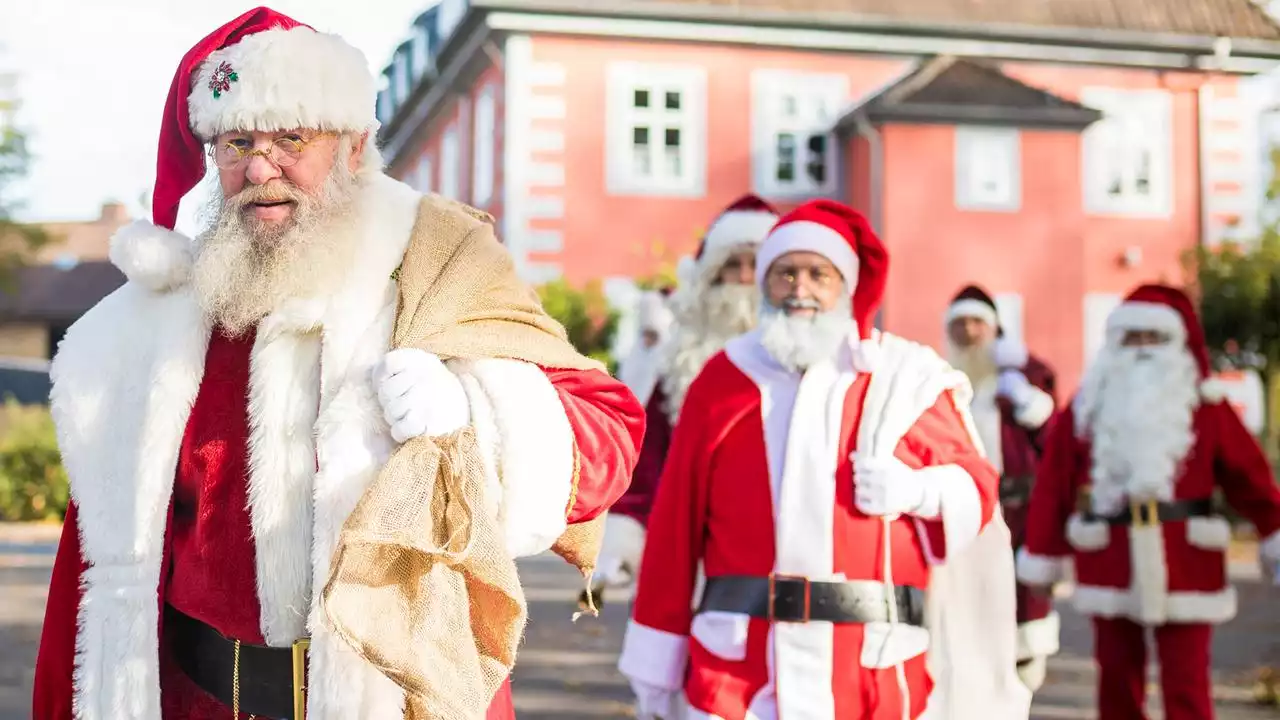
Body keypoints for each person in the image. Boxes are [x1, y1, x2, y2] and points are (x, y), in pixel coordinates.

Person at [32, 8, 643, 720]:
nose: (261, 168)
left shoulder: (438, 261)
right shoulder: (165, 318)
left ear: (353, 147)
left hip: (395, 698)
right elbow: (98, 561)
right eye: (237, 143)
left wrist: (472, 417)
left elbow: (609, 434)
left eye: (292, 137)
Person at [618, 199, 1032, 720]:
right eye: (784, 273)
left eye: (819, 273)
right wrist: (655, 661)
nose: (800, 287)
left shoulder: (905, 378)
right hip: (739, 670)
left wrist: (918, 491)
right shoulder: (722, 381)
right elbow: (674, 531)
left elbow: (976, 484)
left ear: (847, 287)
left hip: (872, 670)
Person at [1017, 284, 1280, 720]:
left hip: (1187, 559)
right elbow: (1054, 485)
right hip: (1109, 557)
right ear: (1114, 343)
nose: (1142, 349)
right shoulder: (1087, 409)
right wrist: (1044, 556)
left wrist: (1273, 531)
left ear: (1176, 343)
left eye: (1153, 338)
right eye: (1131, 338)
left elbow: (1249, 476)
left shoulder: (1206, 404)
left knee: (1187, 683)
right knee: (1117, 682)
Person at [584, 195, 777, 609]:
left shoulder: (800, 357)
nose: (743, 279)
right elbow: (649, 462)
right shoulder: (680, 359)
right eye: (731, 266)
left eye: (754, 266)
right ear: (709, 275)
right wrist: (624, 539)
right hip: (698, 543)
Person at [945, 285, 1059, 690]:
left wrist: (1028, 401)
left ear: (995, 330)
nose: (969, 332)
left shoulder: (1021, 377)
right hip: (961, 517)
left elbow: (1055, 440)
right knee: (969, 606)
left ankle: (1023, 686)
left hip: (1019, 512)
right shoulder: (939, 380)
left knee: (1024, 609)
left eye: (977, 323)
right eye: (959, 324)